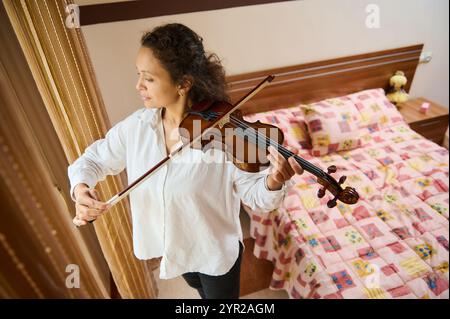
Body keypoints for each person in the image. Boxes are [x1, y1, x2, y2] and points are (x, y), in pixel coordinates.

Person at [68, 23, 304, 299]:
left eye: (149, 78)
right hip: (175, 249)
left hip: (215, 255)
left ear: (183, 83)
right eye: (138, 75)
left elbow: (258, 198)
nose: (138, 86)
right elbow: (93, 159)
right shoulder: (136, 128)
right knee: (197, 289)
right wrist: (81, 188)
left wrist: (275, 180)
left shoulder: (223, 137)